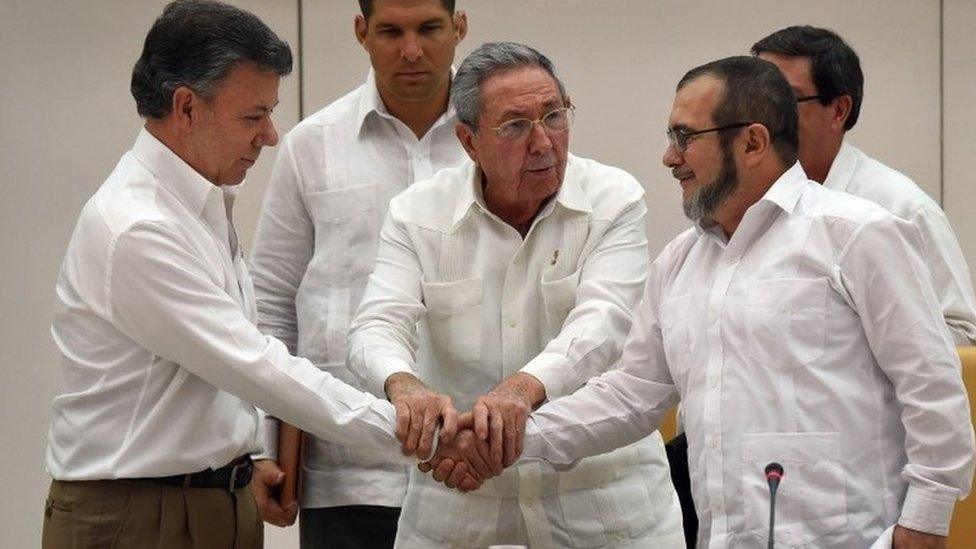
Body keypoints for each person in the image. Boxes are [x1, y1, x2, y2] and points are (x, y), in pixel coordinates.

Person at [428, 56, 975, 548]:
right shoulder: (680, 262)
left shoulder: (859, 235)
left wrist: (924, 523)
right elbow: (631, 396)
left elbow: (932, 388)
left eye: (685, 136)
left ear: (752, 143)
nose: (669, 157)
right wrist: (508, 438)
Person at [41, 2, 471, 548]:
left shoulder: (199, 204)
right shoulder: (140, 227)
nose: (270, 137)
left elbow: (239, 360)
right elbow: (256, 364)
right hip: (140, 515)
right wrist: (421, 434)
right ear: (187, 108)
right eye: (253, 116)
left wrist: (257, 451)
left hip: (213, 496)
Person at [348, 41, 685, 548]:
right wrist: (406, 387)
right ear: (468, 141)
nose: (544, 141)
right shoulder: (417, 213)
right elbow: (377, 324)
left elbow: (602, 324)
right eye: (515, 125)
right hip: (460, 497)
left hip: (604, 498)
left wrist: (520, 392)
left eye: (555, 115)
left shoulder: (614, 199)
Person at [247, 0, 469, 545]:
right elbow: (270, 305)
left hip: (472, 464)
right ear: (361, 32)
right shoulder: (311, 145)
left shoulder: (498, 141)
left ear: (459, 29)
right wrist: (259, 445)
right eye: (391, 31)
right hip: (347, 475)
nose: (411, 50)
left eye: (429, 28)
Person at [752, 25, 976, 345]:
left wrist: (844, 350)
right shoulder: (747, 203)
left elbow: (963, 338)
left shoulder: (901, 209)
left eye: (784, 99)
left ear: (839, 110)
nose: (764, 117)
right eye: (756, 99)